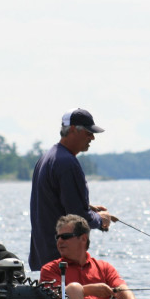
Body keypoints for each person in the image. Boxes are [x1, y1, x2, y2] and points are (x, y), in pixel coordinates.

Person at [29, 108, 113, 271]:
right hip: (62, 261)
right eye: (89, 132)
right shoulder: (67, 163)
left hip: (45, 256)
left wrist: (87, 206)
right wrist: (101, 219)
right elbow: (78, 217)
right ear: (73, 130)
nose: (92, 138)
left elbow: (55, 201)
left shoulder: (47, 158)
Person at [39, 214, 150, 299]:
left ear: (83, 239)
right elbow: (53, 296)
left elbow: (120, 287)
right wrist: (88, 290)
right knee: (74, 288)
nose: (60, 241)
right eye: (57, 237)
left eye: (65, 236)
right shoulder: (50, 269)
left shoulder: (104, 267)